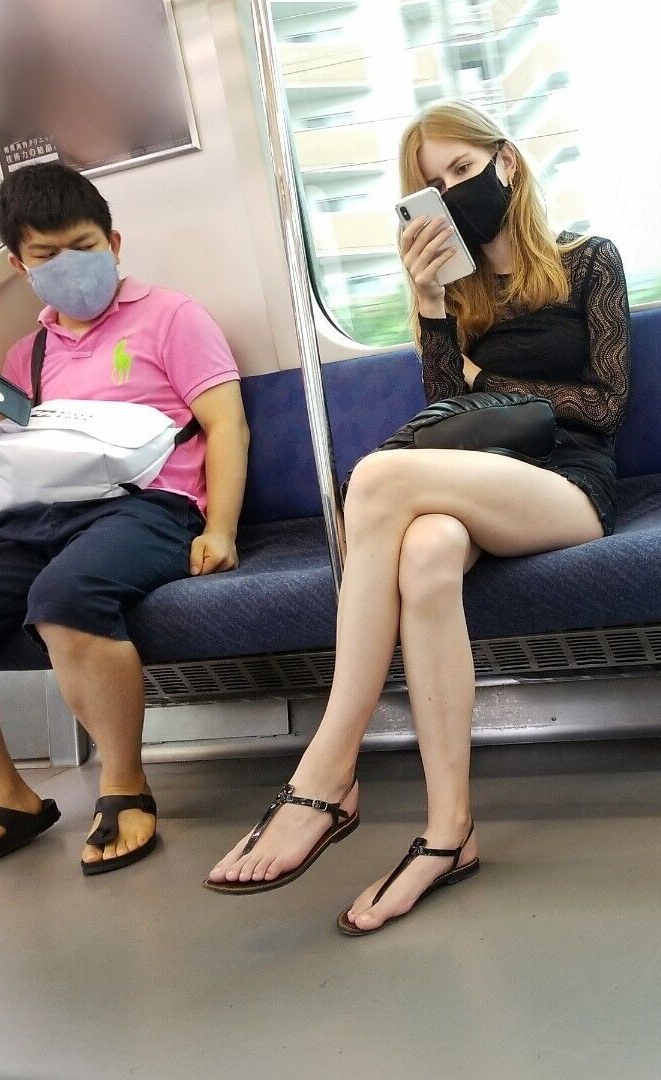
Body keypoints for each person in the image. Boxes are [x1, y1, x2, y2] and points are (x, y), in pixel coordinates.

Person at [206, 99, 630, 935]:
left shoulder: (587, 260)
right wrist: (431, 304)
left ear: (506, 162)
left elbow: (606, 404)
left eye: (463, 170)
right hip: (477, 478)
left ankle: (327, 771)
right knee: (428, 551)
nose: (454, 190)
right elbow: (446, 412)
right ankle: (448, 835)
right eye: (435, 185)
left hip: (568, 482)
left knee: (374, 479)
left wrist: (489, 381)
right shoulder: (456, 292)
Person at [0, 163, 248, 882]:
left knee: (65, 597)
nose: (69, 265)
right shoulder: (28, 354)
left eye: (82, 246)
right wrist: (0, 421)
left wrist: (222, 528)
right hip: (41, 514)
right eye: (46, 255)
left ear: (112, 242)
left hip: (149, 506)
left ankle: (124, 785)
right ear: (19, 266)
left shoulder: (173, 316)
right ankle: (4, 798)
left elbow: (225, 424)